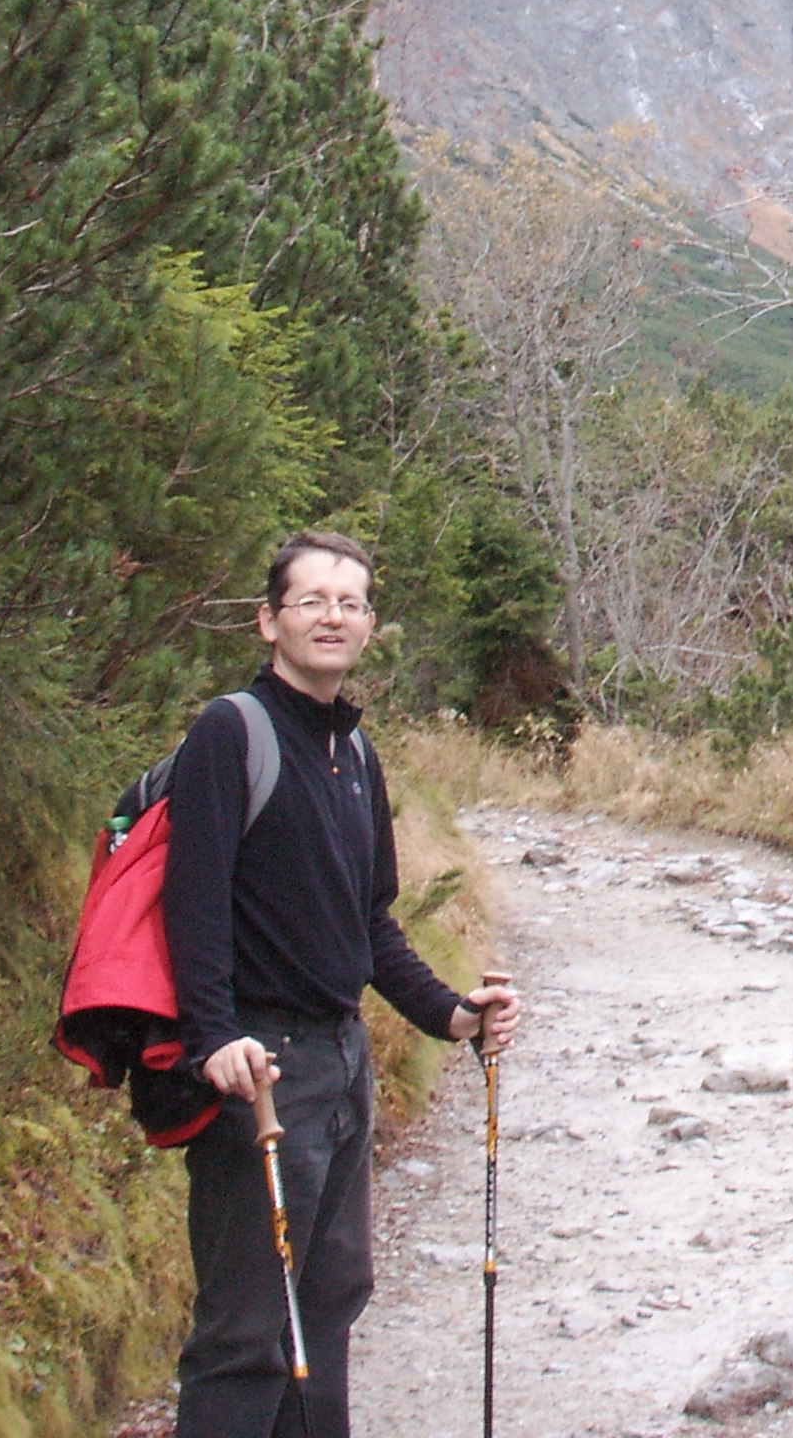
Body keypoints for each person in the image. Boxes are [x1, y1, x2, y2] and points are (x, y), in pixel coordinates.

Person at [165, 529, 522, 1438]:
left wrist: (450, 1014)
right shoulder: (231, 733)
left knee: (328, 1303)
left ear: (368, 625)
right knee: (248, 1329)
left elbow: (369, 923)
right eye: (311, 600)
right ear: (268, 621)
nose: (332, 616)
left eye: (350, 602)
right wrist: (213, 1041)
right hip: (259, 1069)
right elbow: (192, 906)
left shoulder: (355, 753)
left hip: (341, 1059)